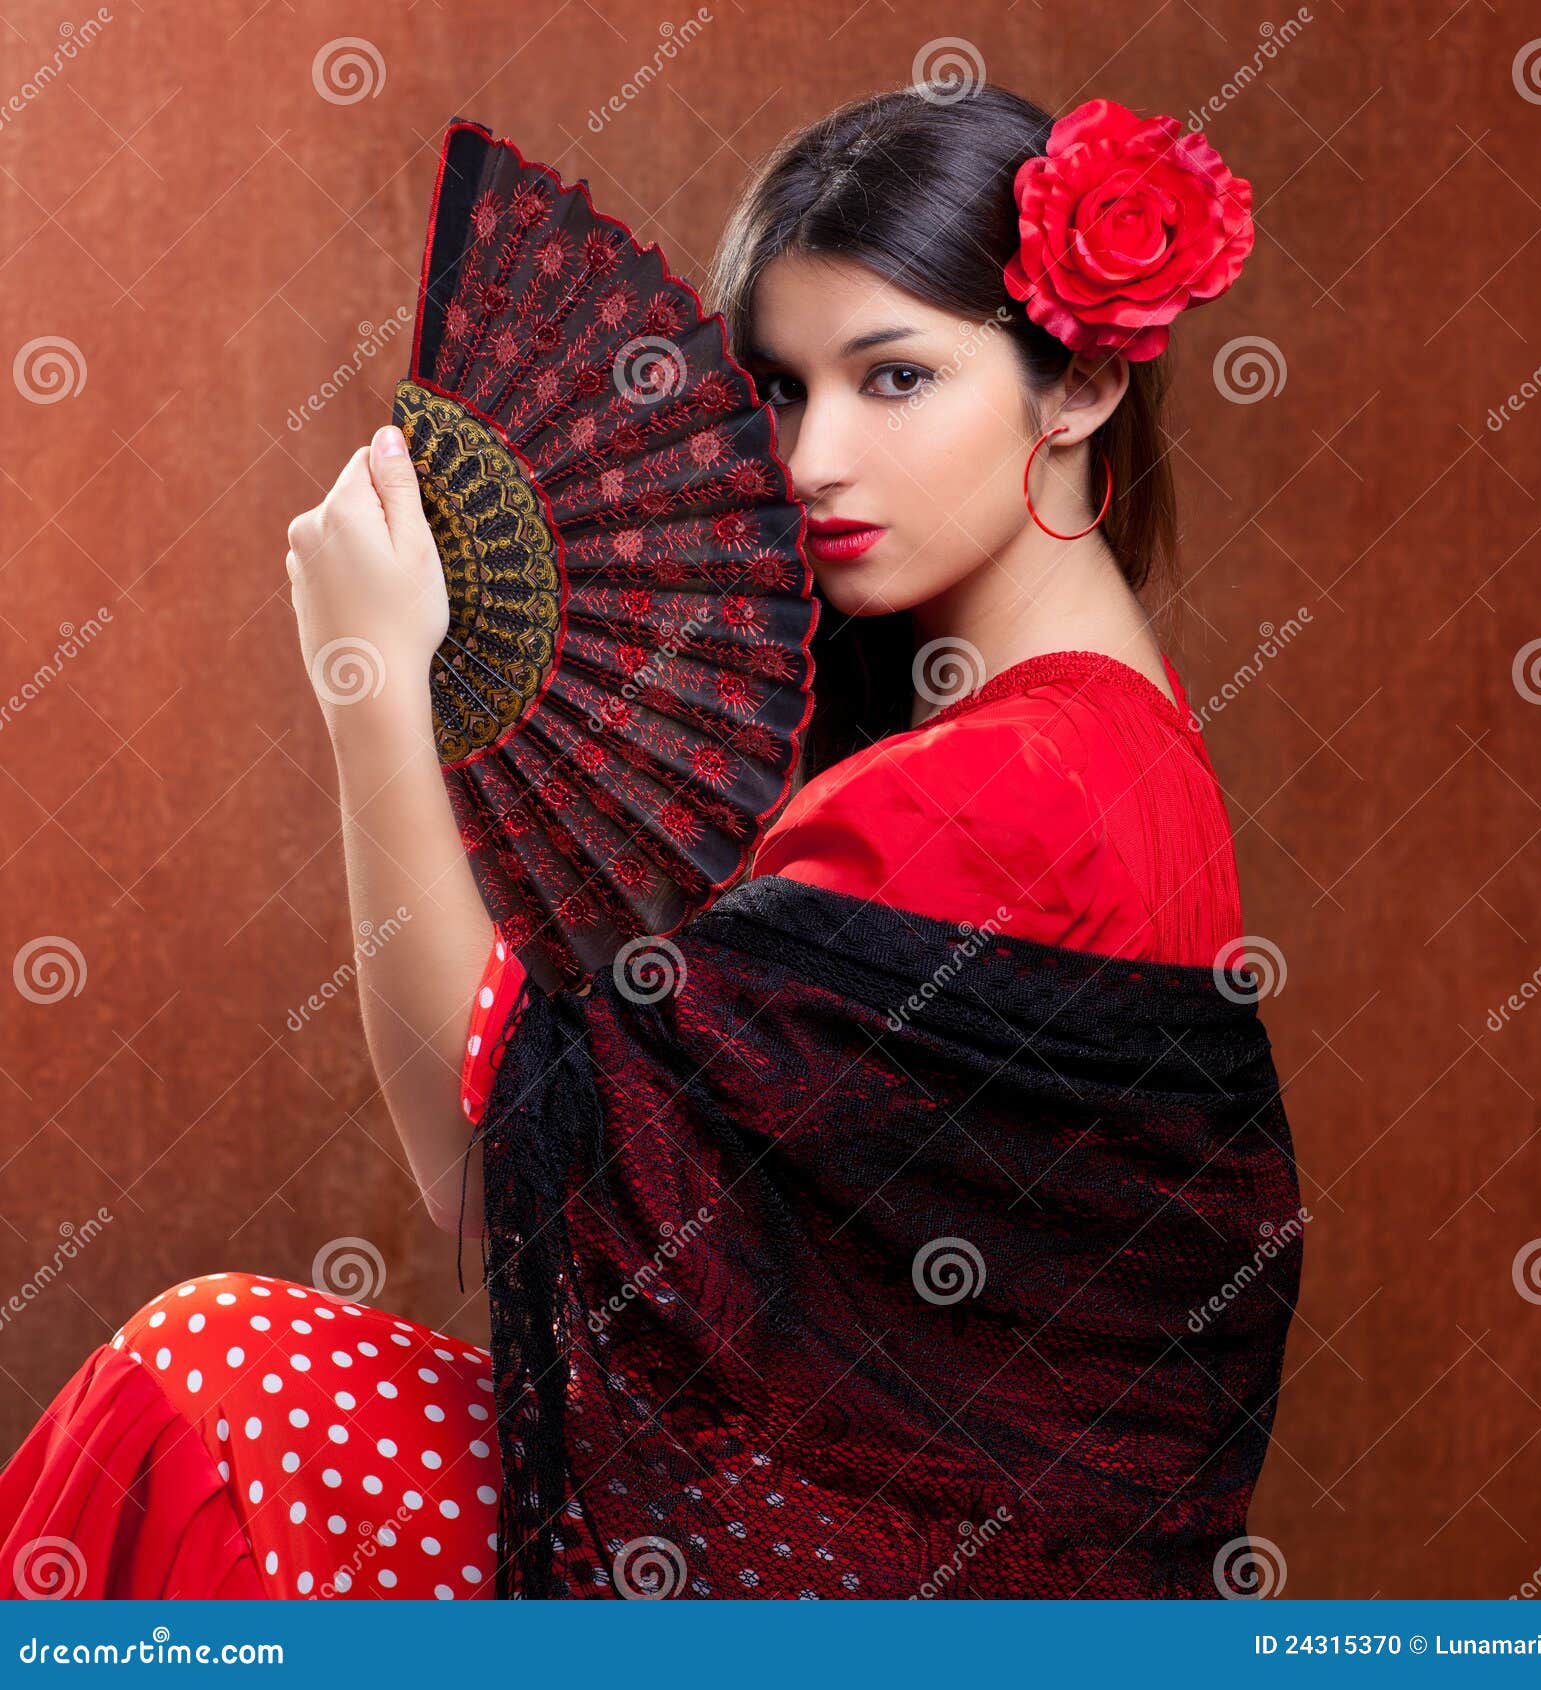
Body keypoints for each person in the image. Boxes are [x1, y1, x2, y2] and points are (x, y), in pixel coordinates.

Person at [0, 85, 1298, 1602]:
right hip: (931, 1572)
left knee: (222, 1385)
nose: (811, 460)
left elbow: (495, 1163)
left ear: (1074, 382)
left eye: (893, 379)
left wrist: (373, 696)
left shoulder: (993, 791)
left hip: (868, 1600)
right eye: (782, 389)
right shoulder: (1124, 746)